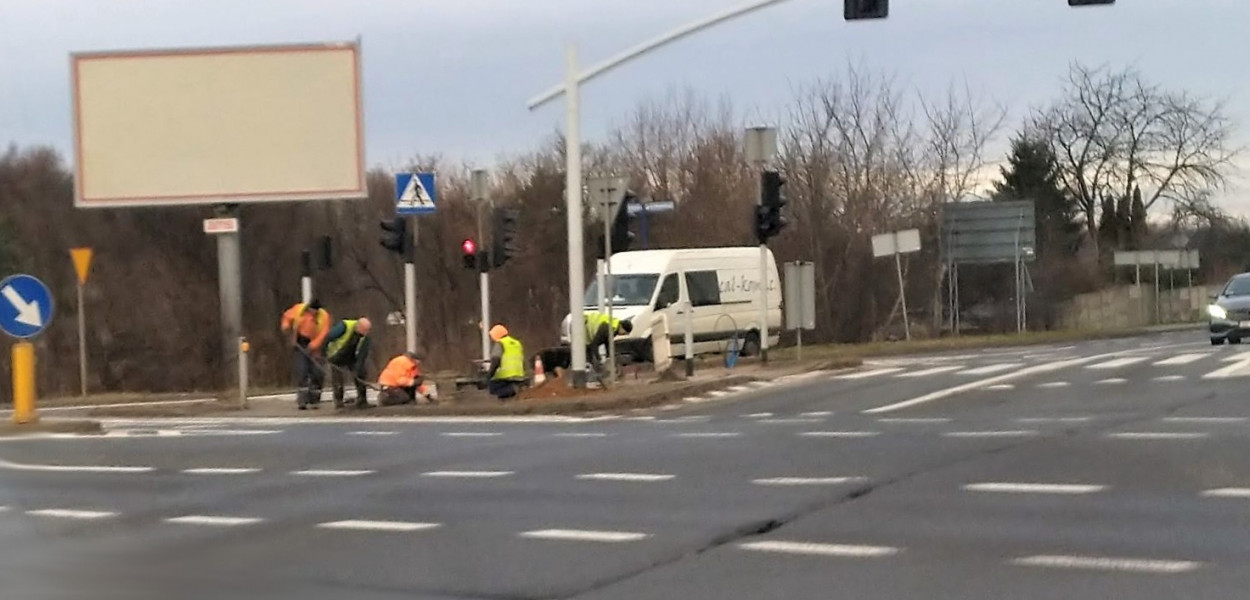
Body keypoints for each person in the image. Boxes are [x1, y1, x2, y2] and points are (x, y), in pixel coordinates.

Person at [280, 298, 331, 410]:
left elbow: (323, 335)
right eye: (312, 310)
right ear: (308, 308)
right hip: (300, 342)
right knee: (302, 370)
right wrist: (286, 327)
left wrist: (312, 347)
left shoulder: (324, 317)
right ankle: (302, 400)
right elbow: (287, 317)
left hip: (316, 345)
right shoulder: (298, 309)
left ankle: (314, 400)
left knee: (317, 372)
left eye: (315, 311)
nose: (313, 313)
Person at [325, 317, 373, 409]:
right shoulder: (344, 326)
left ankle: (362, 400)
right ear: (358, 326)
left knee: (361, 373)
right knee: (337, 379)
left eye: (366, 331)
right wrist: (323, 352)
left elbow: (362, 355)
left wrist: (358, 369)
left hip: (352, 356)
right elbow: (328, 337)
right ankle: (338, 401)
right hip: (336, 355)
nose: (364, 334)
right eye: (363, 331)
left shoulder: (365, 337)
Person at [487, 324, 526, 400]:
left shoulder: (500, 343)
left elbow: (496, 360)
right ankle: (509, 396)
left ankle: (510, 391)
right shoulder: (517, 343)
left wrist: (489, 375)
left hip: (506, 375)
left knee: (492, 386)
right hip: (519, 374)